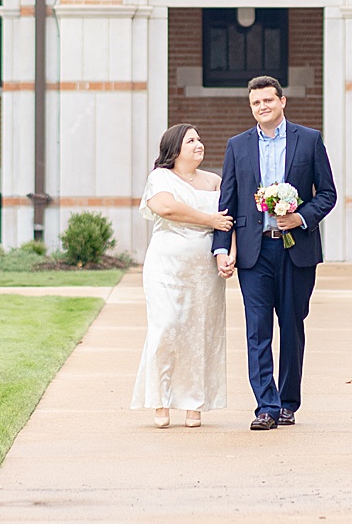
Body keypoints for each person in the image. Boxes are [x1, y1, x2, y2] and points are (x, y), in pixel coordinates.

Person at [213, 75, 338, 430]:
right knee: (257, 329)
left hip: (296, 251)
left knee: (292, 325)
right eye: (256, 102)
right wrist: (221, 248)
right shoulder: (237, 146)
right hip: (254, 253)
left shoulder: (309, 140)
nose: (262, 107)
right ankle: (266, 406)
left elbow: (327, 193)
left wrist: (300, 217)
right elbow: (228, 203)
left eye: (268, 100)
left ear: (282, 101)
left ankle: (288, 402)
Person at [131, 123, 234, 428]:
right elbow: (167, 208)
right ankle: (160, 401)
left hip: (204, 271)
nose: (198, 144)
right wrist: (209, 219)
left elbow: (230, 220)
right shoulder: (160, 177)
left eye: (199, 139)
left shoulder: (214, 181)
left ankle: (194, 403)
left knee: (201, 333)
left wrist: (229, 254)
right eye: (191, 140)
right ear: (175, 148)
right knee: (166, 327)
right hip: (166, 268)